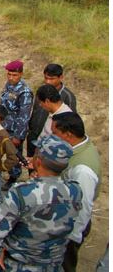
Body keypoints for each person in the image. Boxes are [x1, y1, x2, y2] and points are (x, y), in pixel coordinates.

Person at [0, 135, 83, 272]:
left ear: (39, 161)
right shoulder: (75, 190)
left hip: (18, 266)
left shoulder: (21, 193)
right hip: (53, 266)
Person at [51, 112, 101, 272]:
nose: (52, 137)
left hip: (70, 229)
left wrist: (71, 237)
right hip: (64, 220)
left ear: (68, 135)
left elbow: (83, 207)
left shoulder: (83, 170)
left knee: (63, 265)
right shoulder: (79, 145)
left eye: (55, 134)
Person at [27, 63, 77, 159]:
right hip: (34, 136)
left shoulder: (68, 97)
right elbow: (35, 111)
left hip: (51, 144)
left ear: (61, 77)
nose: (48, 82)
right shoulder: (42, 90)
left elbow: (70, 123)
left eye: (51, 79)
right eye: (46, 78)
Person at [0, 60, 33, 190]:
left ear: (21, 74)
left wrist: (18, 136)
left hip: (14, 130)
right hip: (3, 125)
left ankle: (13, 178)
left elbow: (24, 116)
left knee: (13, 155)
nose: (11, 78)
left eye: (14, 75)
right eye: (9, 74)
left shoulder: (24, 92)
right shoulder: (8, 85)